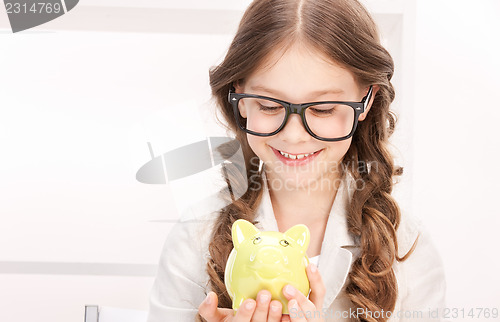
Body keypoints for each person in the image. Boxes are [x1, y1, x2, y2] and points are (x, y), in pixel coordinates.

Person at [146, 0, 447, 321]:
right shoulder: (194, 239)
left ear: (367, 99)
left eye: (323, 108)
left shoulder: (407, 251)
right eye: (269, 105)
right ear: (240, 96)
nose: (293, 135)